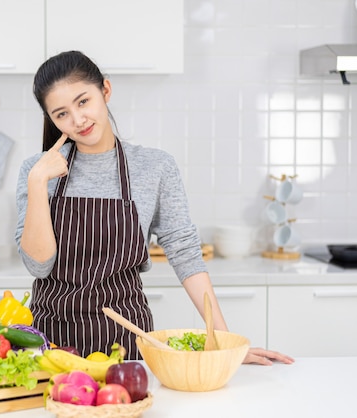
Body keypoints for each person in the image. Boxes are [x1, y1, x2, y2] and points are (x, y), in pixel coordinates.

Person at [15, 50, 294, 365]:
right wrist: (38, 183)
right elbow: (38, 266)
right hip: (52, 346)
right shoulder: (35, 171)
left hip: (127, 344)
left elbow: (185, 254)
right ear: (51, 119)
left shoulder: (154, 167)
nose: (78, 120)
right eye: (61, 113)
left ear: (105, 90)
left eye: (83, 102)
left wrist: (223, 343)